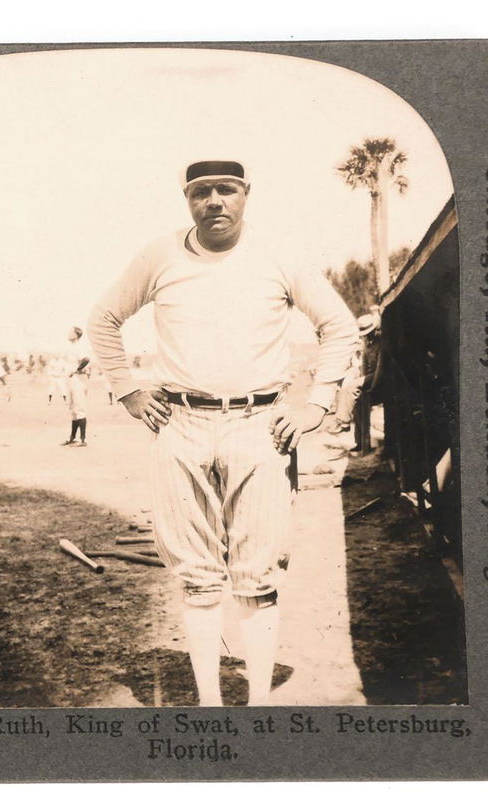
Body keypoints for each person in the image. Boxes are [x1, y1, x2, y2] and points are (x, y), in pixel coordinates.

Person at [87, 160, 358, 706]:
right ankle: (210, 704)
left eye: (226, 190)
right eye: (201, 192)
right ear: (188, 199)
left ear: (245, 194)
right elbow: (103, 319)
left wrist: (317, 403)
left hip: (259, 427)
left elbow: (339, 325)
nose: (214, 201)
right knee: (197, 577)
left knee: (257, 576)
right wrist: (128, 390)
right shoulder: (161, 255)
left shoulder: (278, 255)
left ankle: (257, 705)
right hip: (180, 424)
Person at [63, 325, 92, 446]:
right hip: (71, 380)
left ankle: (83, 440)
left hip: (78, 380)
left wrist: (76, 370)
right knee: (73, 409)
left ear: (76, 334)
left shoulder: (80, 346)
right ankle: (72, 438)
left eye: (71, 332)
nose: (68, 334)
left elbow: (86, 359)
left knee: (80, 408)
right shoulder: (72, 347)